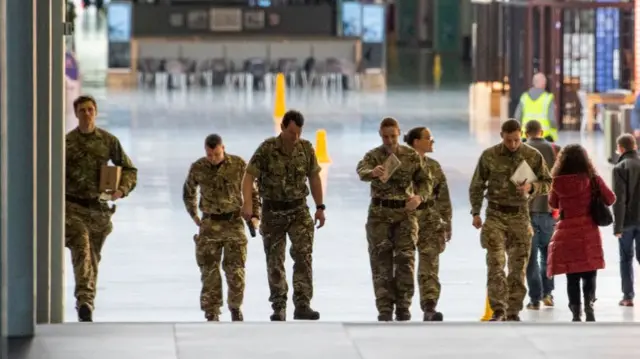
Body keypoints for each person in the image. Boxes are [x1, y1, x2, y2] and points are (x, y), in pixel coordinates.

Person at [242, 110, 326, 321]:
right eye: (291, 133)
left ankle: (303, 304)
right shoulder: (267, 148)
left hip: (299, 211)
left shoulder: (306, 149)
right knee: (275, 261)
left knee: (303, 258)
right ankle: (279, 306)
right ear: (282, 128)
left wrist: (320, 207)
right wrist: (249, 205)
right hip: (273, 211)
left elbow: (314, 177)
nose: (295, 137)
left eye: (298, 133)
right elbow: (248, 176)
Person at [469, 119, 552, 321]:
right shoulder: (489, 156)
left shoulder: (532, 156)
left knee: (518, 267)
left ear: (521, 134)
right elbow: (477, 185)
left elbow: (548, 182)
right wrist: (476, 212)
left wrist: (532, 188)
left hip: (520, 216)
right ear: (501, 136)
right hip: (495, 215)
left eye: (516, 140)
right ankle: (498, 309)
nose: (513, 144)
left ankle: (513, 310)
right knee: (495, 263)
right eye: (508, 140)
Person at [66, 95, 137, 322]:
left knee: (92, 258)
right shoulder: (66, 144)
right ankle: (84, 300)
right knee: (82, 247)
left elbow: (129, 169)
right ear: (76, 113)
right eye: (82, 110)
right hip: (72, 208)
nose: (87, 114)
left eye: (90, 110)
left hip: (98, 210)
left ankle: (87, 301)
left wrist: (121, 190)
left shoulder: (107, 141)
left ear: (95, 112)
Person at [356, 118, 433, 322]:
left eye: (393, 136)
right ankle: (384, 307)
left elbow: (426, 180)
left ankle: (403, 305)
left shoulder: (411, 156)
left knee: (405, 261)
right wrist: (372, 172)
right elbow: (361, 171)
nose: (389, 140)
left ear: (399, 133)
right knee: (380, 263)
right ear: (380, 135)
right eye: (385, 136)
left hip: (404, 215)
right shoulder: (373, 156)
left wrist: (419, 197)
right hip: (380, 215)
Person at [183, 134, 260, 322]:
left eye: (216, 154)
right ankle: (212, 311)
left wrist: (256, 215)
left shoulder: (239, 165)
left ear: (223, 148)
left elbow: (254, 192)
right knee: (209, 271)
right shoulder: (198, 168)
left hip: (233, 222)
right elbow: (188, 193)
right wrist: (195, 216)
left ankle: (235, 307)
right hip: (209, 224)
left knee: (236, 271)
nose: (213, 158)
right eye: (209, 155)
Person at [547, 144, 615, 321]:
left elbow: (553, 203)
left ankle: (576, 312)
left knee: (572, 274)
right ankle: (589, 305)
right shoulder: (593, 179)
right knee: (589, 270)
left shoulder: (557, 181)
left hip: (567, 231)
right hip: (588, 230)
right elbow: (611, 198)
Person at [404, 126, 451, 321]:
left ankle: (430, 306)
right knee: (404, 264)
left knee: (430, 265)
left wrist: (447, 222)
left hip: (430, 220)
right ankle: (402, 306)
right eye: (428, 138)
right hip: (405, 219)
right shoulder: (400, 163)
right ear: (416, 142)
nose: (432, 141)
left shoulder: (434, 166)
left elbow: (443, 196)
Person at [522, 120, 560, 310]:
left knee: (530, 258)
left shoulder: (521, 150)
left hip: (527, 212)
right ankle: (548, 294)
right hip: (550, 211)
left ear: (525, 132)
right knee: (548, 255)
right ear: (542, 132)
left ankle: (534, 299)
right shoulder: (555, 149)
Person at [612, 134, 640, 307]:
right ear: (635, 146)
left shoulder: (620, 167)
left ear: (620, 148)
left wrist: (618, 226)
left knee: (626, 258)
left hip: (627, 222)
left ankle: (628, 296)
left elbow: (619, 200)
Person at [514, 73, 559, 142]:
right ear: (543, 83)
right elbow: (552, 119)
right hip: (545, 136)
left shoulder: (524, 97)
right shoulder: (548, 98)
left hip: (526, 136)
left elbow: (517, 117)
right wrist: (555, 128)